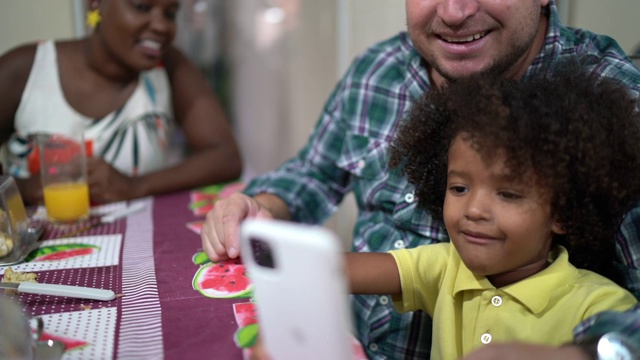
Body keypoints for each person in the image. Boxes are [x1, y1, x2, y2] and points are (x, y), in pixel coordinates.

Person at [201, 0, 640, 358]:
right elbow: (312, 174)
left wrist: (580, 354)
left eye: (508, 191)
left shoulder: (622, 102)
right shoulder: (378, 70)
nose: (452, 12)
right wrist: (260, 207)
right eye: (459, 187)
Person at [346, 73, 640, 360]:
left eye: (508, 194)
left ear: (561, 213)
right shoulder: (446, 266)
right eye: (459, 188)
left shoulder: (600, 305)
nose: (474, 210)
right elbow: (339, 269)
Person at [0, 0, 242, 205]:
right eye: (141, 7)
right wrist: (25, 188)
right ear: (95, 3)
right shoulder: (26, 69)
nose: (161, 26)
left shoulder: (168, 67)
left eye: (170, 13)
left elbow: (226, 156)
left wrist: (135, 186)